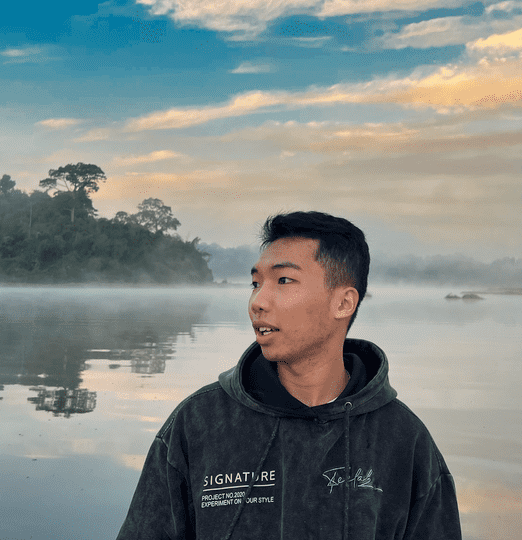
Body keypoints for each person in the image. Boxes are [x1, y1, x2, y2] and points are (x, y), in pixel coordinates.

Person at [116, 211, 462, 540]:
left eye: (284, 280)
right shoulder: (199, 424)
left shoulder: (404, 440)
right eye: (255, 283)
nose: (257, 301)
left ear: (343, 303)